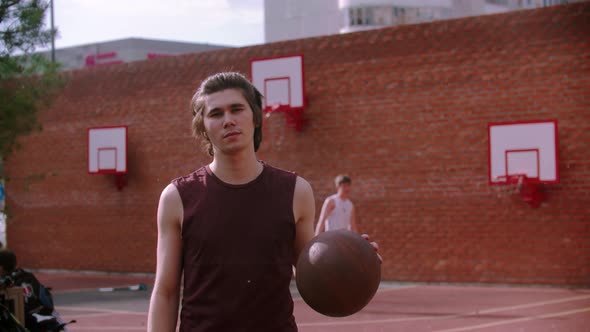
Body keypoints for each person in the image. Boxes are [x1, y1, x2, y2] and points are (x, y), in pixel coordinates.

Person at [147, 72, 378, 331]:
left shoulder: (295, 191)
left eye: (237, 109)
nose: (228, 120)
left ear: (255, 117)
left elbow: (312, 273)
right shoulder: (177, 197)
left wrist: (354, 260)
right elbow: (165, 291)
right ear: (203, 126)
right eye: (216, 114)